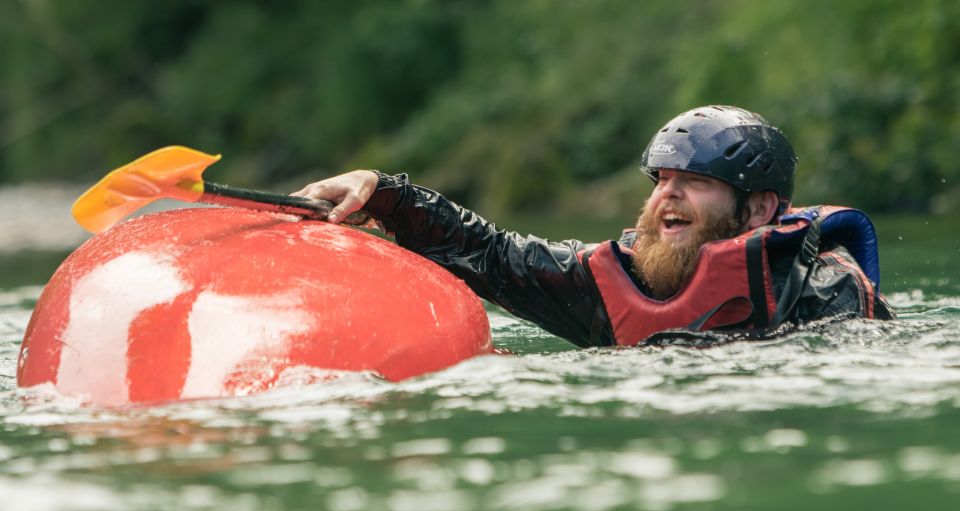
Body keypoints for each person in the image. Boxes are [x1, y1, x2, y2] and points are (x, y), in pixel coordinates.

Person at [293, 105, 894, 347]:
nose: (668, 195)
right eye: (660, 178)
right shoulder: (608, 284)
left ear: (760, 210)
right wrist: (385, 194)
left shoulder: (822, 290)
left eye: (695, 182)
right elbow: (491, 254)